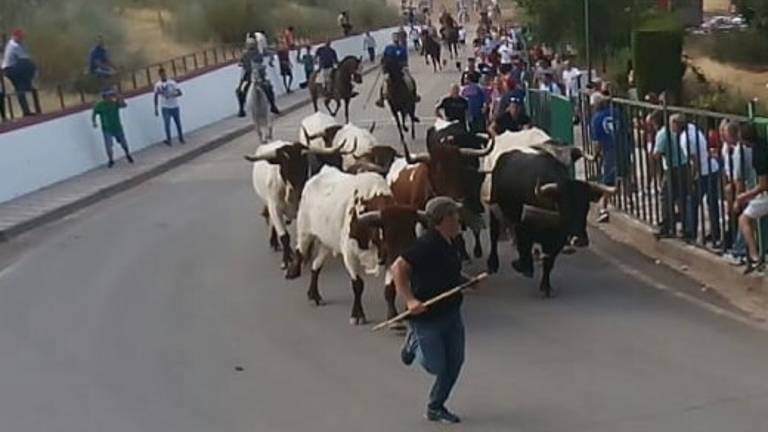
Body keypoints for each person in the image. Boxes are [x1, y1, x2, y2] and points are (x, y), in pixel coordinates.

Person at [392, 197, 474, 424]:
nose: (459, 220)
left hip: (452, 314)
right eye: (455, 216)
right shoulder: (426, 244)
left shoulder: (453, 241)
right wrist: (409, 300)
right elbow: (398, 267)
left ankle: (435, 406)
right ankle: (413, 342)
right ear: (444, 219)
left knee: (455, 362)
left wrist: (467, 281)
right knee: (435, 365)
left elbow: (447, 272)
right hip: (427, 318)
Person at [680, 119, 720, 243]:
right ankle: (715, 232)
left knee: (692, 200)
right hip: (712, 168)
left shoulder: (685, 138)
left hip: (702, 172)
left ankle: (690, 231)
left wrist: (692, 177)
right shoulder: (694, 128)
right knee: (711, 202)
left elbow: (694, 160)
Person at [735, 123, 768, 274]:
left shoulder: (758, 155)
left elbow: (763, 185)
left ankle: (755, 256)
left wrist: (743, 197)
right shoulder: (763, 143)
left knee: (744, 219)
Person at [652, 112, 689, 237]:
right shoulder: (679, 133)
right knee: (682, 197)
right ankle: (686, 227)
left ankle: (667, 226)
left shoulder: (662, 134)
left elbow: (656, 154)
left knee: (666, 197)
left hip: (672, 168)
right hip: (684, 165)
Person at [375, 32, 420, 112]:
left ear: (398, 39)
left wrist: (403, 65)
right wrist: (382, 64)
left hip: (401, 68)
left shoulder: (402, 48)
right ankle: (381, 99)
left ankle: (414, 95)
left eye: (396, 38)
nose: (395, 39)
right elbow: (384, 57)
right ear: (392, 39)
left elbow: (405, 59)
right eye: (394, 37)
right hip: (390, 70)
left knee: (409, 79)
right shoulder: (388, 48)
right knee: (384, 83)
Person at [590, 94, 617, 223]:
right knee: (624, 175)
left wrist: (595, 155)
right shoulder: (616, 113)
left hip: (609, 152)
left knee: (607, 182)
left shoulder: (596, 119)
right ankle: (629, 200)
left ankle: (603, 210)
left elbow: (597, 142)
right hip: (622, 149)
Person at [92, 89, 133, 168]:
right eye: (108, 96)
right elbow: (94, 113)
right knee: (109, 145)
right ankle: (111, 160)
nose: (110, 98)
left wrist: (119, 97)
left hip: (117, 127)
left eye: (111, 96)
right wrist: (94, 122)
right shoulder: (100, 105)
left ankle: (127, 154)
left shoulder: (115, 103)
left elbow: (124, 105)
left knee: (123, 143)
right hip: (107, 129)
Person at [2, 29, 37, 117]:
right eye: (20, 37)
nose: (22, 39)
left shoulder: (12, 43)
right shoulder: (15, 46)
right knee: (30, 67)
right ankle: (28, 86)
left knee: (20, 89)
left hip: (10, 69)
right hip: (11, 69)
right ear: (15, 37)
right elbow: (25, 59)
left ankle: (26, 110)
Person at [154, 67, 184, 146]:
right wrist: (156, 108)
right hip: (165, 107)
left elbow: (180, 93)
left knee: (178, 123)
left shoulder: (172, 83)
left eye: (164, 74)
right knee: (167, 124)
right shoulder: (158, 85)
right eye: (161, 74)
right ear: (159, 75)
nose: (163, 75)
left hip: (174, 106)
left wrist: (172, 95)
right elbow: (156, 96)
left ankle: (181, 137)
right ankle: (169, 140)